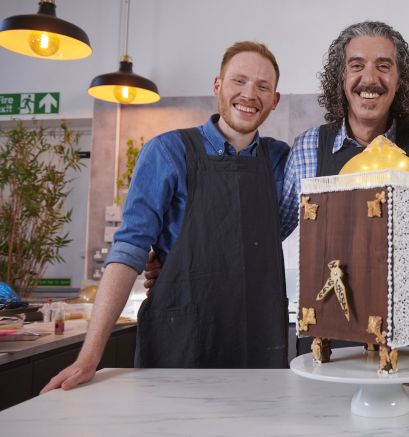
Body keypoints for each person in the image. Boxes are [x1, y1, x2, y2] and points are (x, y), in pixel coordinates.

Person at [42, 41, 290, 393]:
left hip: (258, 341)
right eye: (239, 81)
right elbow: (129, 249)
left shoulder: (281, 161)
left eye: (263, 86)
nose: (250, 94)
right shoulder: (167, 152)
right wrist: (89, 356)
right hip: (182, 339)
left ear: (275, 100)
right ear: (218, 85)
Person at [277, 21, 409, 239]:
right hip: (332, 274)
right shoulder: (307, 147)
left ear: (399, 80)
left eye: (383, 66)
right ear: (342, 77)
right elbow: (275, 231)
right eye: (356, 66)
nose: (370, 79)